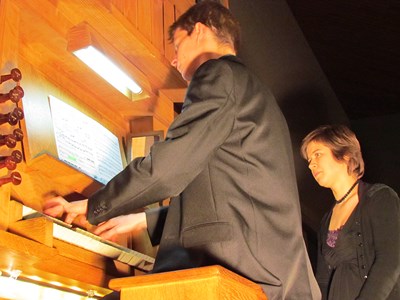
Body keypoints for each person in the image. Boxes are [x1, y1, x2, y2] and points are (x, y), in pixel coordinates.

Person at [44, 2, 320, 299]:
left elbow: (168, 168)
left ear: (199, 30)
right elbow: (228, 197)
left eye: (177, 46)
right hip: (272, 278)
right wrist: (140, 220)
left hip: (239, 278)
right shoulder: (252, 91)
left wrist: (94, 205)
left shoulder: (217, 74)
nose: (174, 61)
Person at [300, 124, 400, 300]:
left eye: (317, 154)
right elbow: (323, 280)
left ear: (345, 155)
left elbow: (390, 260)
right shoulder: (326, 220)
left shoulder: (380, 197)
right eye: (309, 160)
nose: (311, 165)